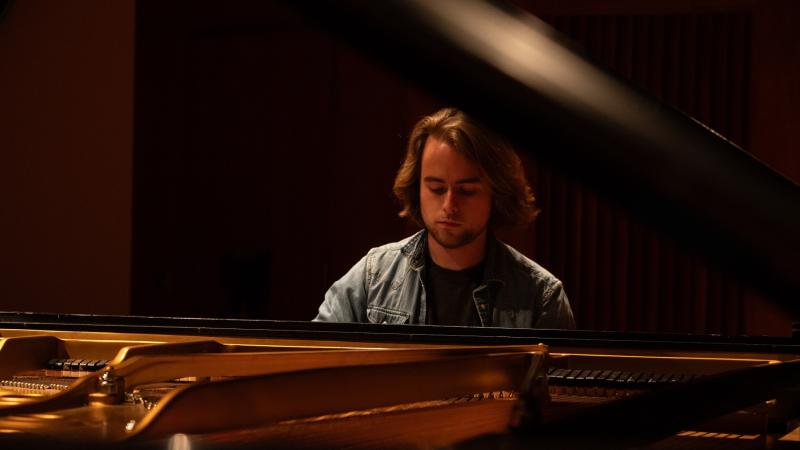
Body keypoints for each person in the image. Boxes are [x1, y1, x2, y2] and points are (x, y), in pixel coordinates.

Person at [314, 108, 575, 329]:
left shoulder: (541, 296)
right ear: (417, 187)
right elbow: (314, 369)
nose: (449, 205)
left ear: (497, 193)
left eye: (466, 191)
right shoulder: (372, 278)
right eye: (437, 189)